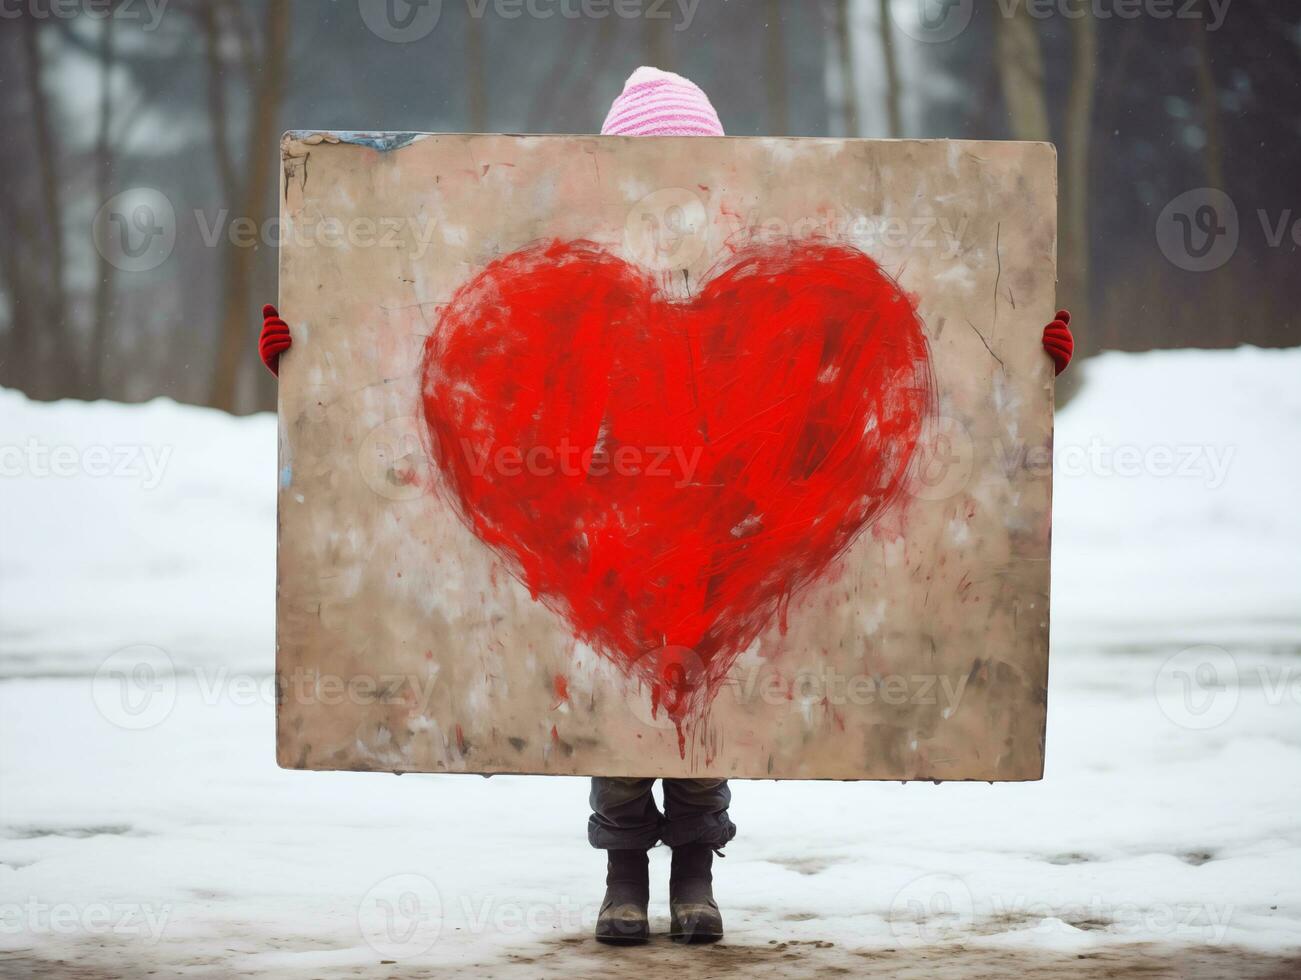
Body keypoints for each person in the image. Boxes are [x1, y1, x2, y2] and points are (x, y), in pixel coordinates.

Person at [258, 66, 1075, 947]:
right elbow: (395, 407)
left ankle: (694, 875)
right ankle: (621, 878)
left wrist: (1028, 363)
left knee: (707, 722)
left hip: (733, 532)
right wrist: (309, 358)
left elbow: (912, 399)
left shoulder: (771, 307)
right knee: (615, 724)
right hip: (613, 536)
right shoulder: (581, 311)